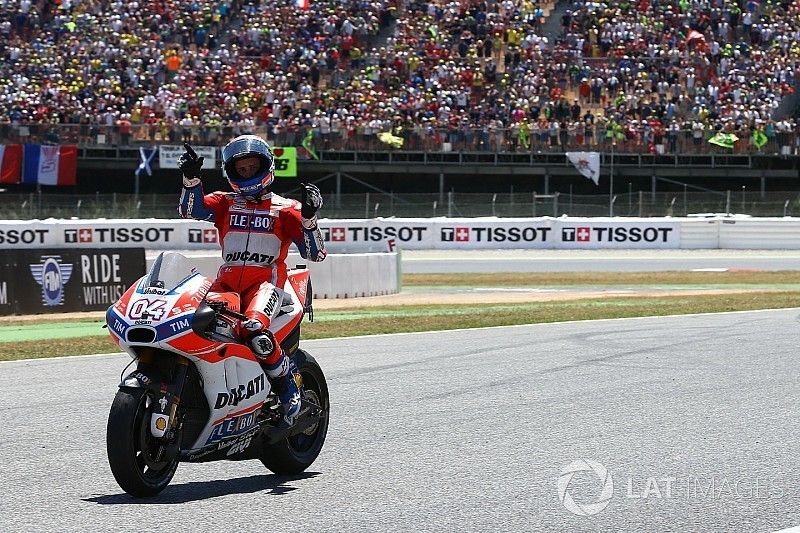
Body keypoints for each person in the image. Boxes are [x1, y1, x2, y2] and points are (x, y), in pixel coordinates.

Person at [177, 135, 326, 424]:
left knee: (254, 328)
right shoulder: (224, 202)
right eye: (241, 169)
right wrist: (191, 179)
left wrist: (309, 219)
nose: (246, 173)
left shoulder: (286, 208)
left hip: (266, 285)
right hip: (227, 284)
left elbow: (316, 253)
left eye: (251, 167)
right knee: (197, 324)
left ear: (266, 166)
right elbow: (188, 210)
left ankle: (287, 389)